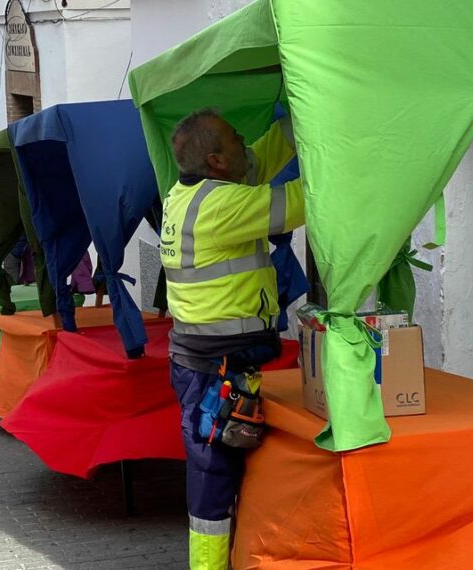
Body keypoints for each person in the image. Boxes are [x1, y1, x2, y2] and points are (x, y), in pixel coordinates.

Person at [161, 108, 304, 569]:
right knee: (213, 475)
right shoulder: (221, 208)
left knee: (220, 468)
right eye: (234, 138)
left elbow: (258, 157)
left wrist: (301, 106)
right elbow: (309, 198)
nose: (245, 139)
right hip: (214, 369)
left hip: (208, 361)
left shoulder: (192, 194)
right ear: (219, 163)